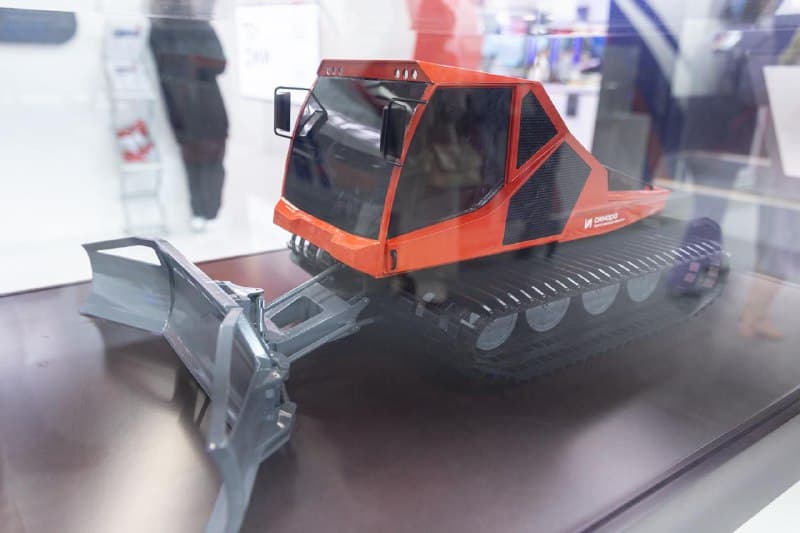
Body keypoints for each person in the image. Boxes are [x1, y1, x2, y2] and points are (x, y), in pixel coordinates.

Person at [149, 0, 229, 232]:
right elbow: (162, 69)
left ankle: (210, 212)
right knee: (194, 164)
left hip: (208, 108)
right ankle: (200, 212)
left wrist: (190, 63)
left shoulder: (201, 27)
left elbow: (219, 63)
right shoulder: (158, 31)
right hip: (182, 110)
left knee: (212, 162)